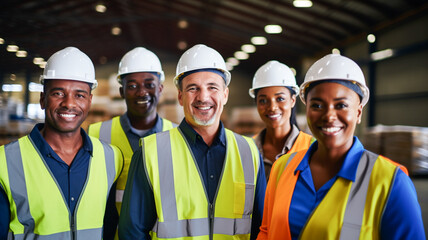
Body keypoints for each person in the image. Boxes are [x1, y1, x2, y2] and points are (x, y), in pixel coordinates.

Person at [257, 54, 425, 240]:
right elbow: (266, 231)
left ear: (358, 112)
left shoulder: (391, 182)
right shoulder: (283, 168)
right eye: (317, 105)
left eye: (341, 105)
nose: (329, 115)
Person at [119, 44, 267, 240]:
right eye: (193, 88)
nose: (203, 97)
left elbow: (262, 228)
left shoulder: (248, 151)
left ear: (225, 94)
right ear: (180, 96)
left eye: (212, 87)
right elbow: (132, 233)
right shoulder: (150, 152)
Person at [0, 47, 123, 239]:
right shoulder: (5, 161)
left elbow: (109, 227)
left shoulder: (111, 157)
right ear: (43, 99)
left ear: (89, 101)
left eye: (79, 95)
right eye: (58, 93)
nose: (69, 103)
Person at [88, 47, 176, 237]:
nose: (141, 92)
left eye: (149, 84)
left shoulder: (177, 135)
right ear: (122, 91)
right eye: (133, 86)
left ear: (160, 89)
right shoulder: (97, 134)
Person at [249, 60, 314, 181]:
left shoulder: (312, 148)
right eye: (263, 101)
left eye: (280, 98)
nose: (272, 107)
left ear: (293, 100)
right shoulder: (247, 149)